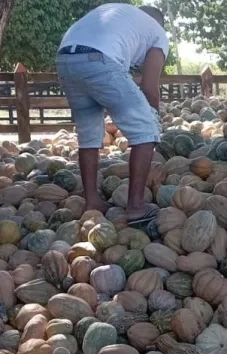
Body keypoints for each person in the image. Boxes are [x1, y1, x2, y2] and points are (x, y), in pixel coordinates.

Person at [56, 4, 169, 224]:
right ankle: (136, 206)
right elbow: (149, 87)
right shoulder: (158, 33)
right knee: (146, 130)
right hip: (100, 59)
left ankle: (91, 202)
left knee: (88, 134)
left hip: (65, 58)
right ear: (159, 24)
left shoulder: (121, 15)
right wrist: (154, 118)